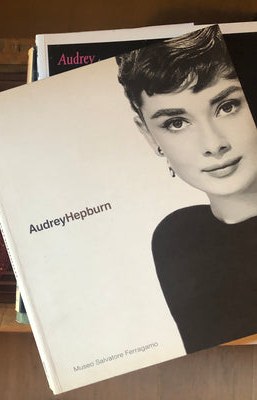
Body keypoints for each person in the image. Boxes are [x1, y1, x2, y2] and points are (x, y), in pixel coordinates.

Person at [116, 25, 257, 354]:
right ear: (149, 136)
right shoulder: (178, 240)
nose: (213, 144)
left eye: (227, 106)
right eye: (176, 123)